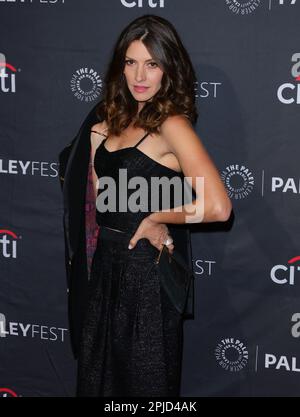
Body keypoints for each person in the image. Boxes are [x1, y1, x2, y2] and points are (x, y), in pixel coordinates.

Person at [59, 14, 232, 397]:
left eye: (151, 64)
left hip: (146, 276)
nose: (140, 75)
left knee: (145, 386)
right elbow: (99, 202)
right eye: (131, 62)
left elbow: (219, 206)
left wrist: (158, 216)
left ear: (168, 69)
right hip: (104, 268)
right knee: (96, 382)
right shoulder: (109, 119)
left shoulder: (173, 125)